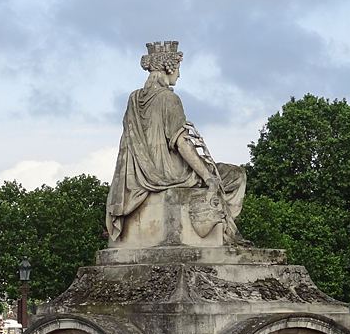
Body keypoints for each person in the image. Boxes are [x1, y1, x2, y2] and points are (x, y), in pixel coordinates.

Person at [106, 40, 247, 244]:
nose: (179, 75)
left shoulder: (134, 99)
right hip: (171, 173)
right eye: (178, 69)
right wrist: (208, 176)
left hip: (140, 177)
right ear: (168, 67)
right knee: (235, 174)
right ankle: (224, 236)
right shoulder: (170, 99)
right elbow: (182, 144)